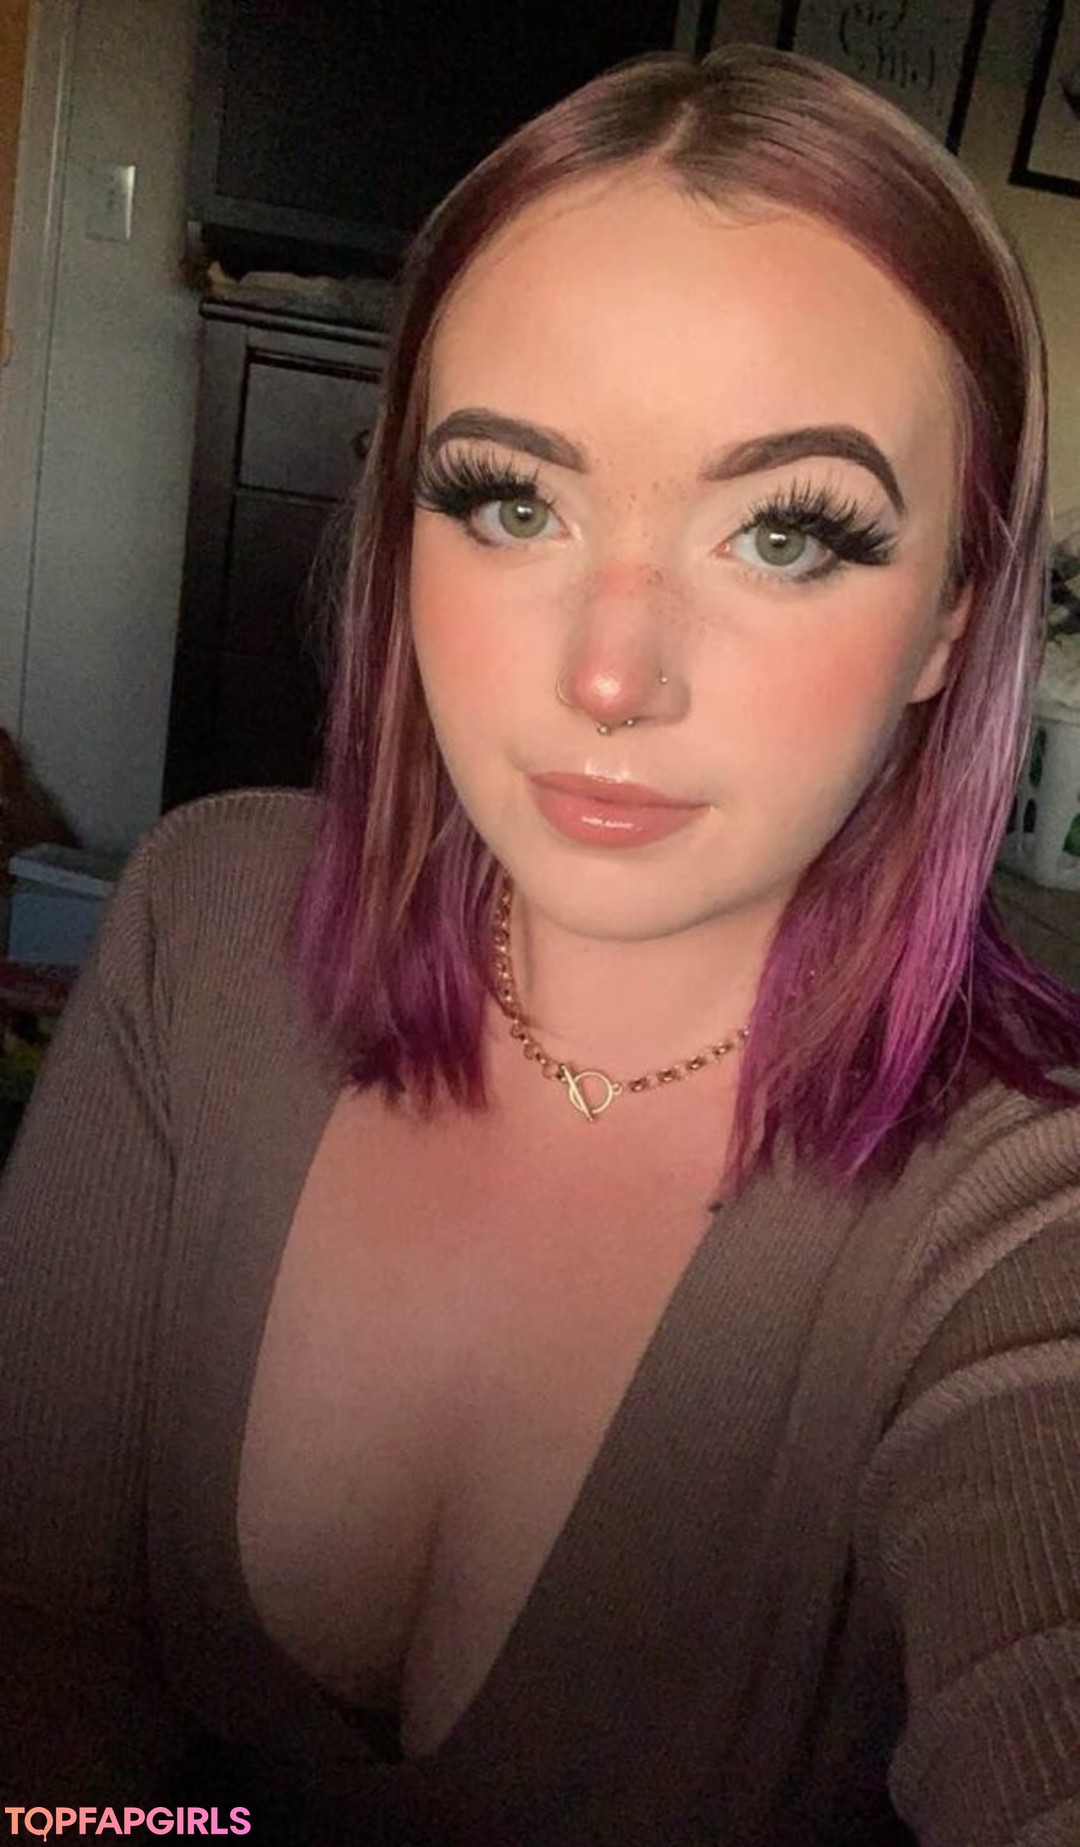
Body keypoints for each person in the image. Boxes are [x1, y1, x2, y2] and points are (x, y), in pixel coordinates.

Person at [3, 42, 1080, 1847]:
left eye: (786, 535)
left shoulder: (1021, 1226)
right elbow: (43, 1663)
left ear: (952, 624)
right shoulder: (206, 926)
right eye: (513, 501)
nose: (609, 674)